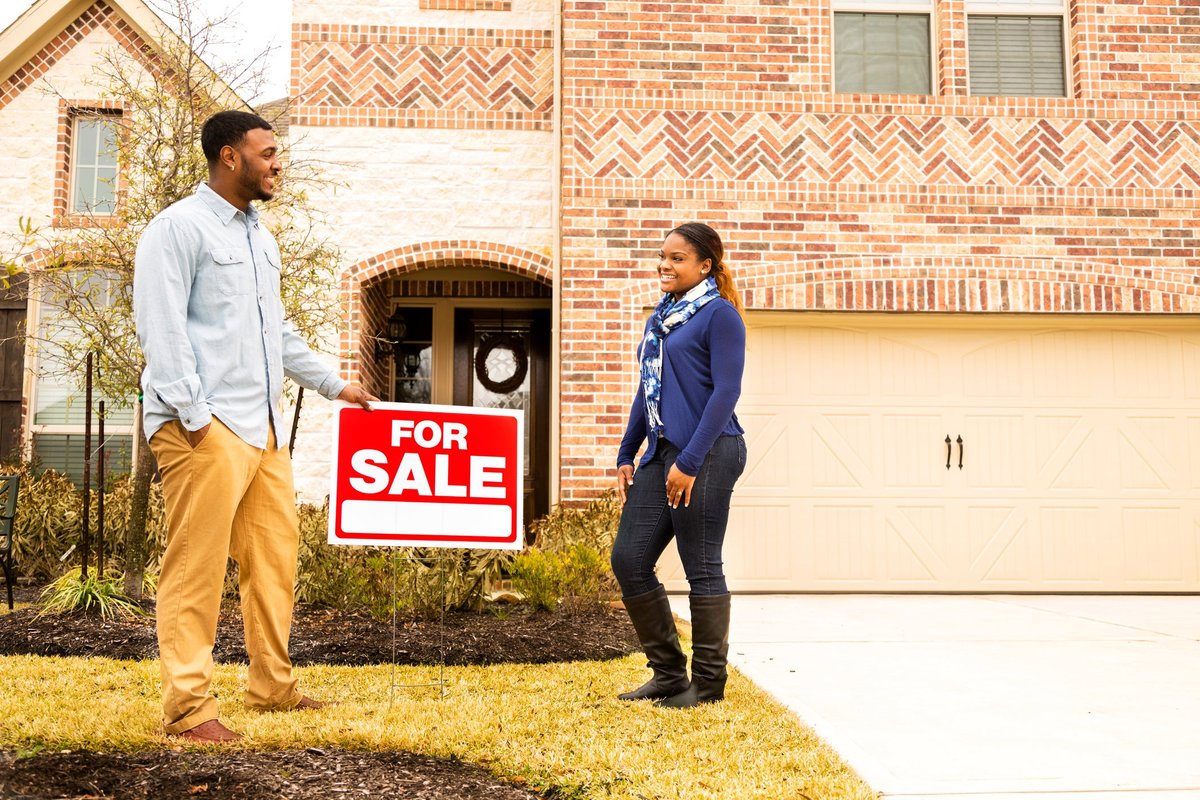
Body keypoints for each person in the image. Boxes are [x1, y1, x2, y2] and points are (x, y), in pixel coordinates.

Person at [133, 110, 377, 743]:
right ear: (228, 156)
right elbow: (162, 330)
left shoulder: (259, 237)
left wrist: (335, 384)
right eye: (267, 153)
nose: (277, 164)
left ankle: (272, 685)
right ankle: (188, 709)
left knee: (274, 561)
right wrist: (192, 416)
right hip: (204, 424)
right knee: (196, 566)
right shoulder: (176, 229)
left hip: (262, 427)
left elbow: (278, 334)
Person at [610, 222, 747, 708]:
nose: (664, 265)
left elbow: (726, 392)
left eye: (677, 258)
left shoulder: (719, 316)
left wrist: (689, 461)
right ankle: (668, 673)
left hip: (709, 452)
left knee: (701, 564)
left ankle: (707, 685)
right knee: (628, 560)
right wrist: (628, 452)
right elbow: (648, 390)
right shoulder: (660, 320)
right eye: (662, 256)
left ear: (704, 265)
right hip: (663, 452)